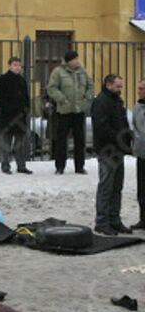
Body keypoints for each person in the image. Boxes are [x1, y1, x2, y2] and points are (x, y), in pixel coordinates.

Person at [91, 74, 132, 235]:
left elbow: (122, 122)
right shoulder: (101, 101)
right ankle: (102, 221)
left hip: (118, 149)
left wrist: (126, 140)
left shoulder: (116, 101)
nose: (120, 89)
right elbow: (101, 127)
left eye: (121, 86)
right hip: (107, 149)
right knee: (106, 186)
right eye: (118, 86)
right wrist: (119, 138)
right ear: (108, 85)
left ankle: (114, 219)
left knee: (117, 187)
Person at [46, 50, 93, 175]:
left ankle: (79, 166)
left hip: (79, 110)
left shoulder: (82, 71)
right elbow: (51, 88)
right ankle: (60, 166)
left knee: (80, 139)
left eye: (77, 59)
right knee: (61, 139)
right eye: (74, 59)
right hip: (64, 111)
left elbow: (90, 85)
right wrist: (61, 99)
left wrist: (86, 97)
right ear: (68, 61)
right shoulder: (58, 72)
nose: (77, 61)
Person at [0, 57, 32, 174]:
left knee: (20, 144)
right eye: (15, 65)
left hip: (20, 117)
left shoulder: (22, 80)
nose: (18, 67)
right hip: (7, 117)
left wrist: (25, 110)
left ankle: (21, 165)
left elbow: (26, 98)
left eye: (19, 65)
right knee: (6, 142)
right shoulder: (2, 79)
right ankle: (5, 165)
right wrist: (7, 110)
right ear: (9, 65)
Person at [131, 78, 145, 231]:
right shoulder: (136, 107)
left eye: (142, 88)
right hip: (142, 154)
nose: (139, 91)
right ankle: (143, 218)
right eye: (139, 88)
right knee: (142, 189)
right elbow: (134, 127)